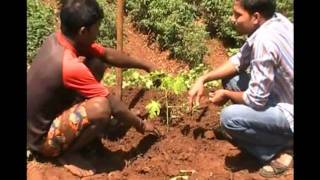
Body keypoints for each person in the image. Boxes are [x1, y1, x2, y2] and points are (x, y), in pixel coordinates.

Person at [27, 0, 160, 177]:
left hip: (39, 119)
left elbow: (106, 54)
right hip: (40, 140)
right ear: (83, 31)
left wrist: (146, 66)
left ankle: (80, 135)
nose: (98, 32)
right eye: (97, 27)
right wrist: (141, 125)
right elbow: (111, 103)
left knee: (96, 63)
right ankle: (69, 153)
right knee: (101, 108)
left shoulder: (58, 39)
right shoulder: (69, 65)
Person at [188, 0, 293, 177]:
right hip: (281, 95)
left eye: (237, 14)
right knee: (229, 77)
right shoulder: (277, 20)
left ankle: (282, 147)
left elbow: (256, 100)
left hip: (289, 111)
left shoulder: (264, 42)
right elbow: (238, 61)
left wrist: (226, 94)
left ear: (256, 17)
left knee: (229, 118)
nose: (232, 19)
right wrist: (203, 78)